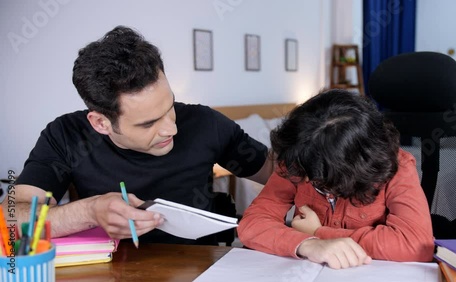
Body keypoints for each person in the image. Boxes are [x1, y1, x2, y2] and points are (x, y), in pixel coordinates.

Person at [5, 26, 273, 245]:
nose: (171, 129)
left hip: (201, 268)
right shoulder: (66, 135)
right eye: (148, 123)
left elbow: (282, 175)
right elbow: (11, 217)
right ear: (101, 123)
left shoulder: (205, 123)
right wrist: (90, 211)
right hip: (108, 270)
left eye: (170, 108)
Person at [237, 89, 434, 269]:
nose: (304, 180)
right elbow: (252, 225)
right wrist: (308, 244)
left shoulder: (398, 167)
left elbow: (416, 245)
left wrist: (320, 233)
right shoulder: (299, 156)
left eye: (317, 179)